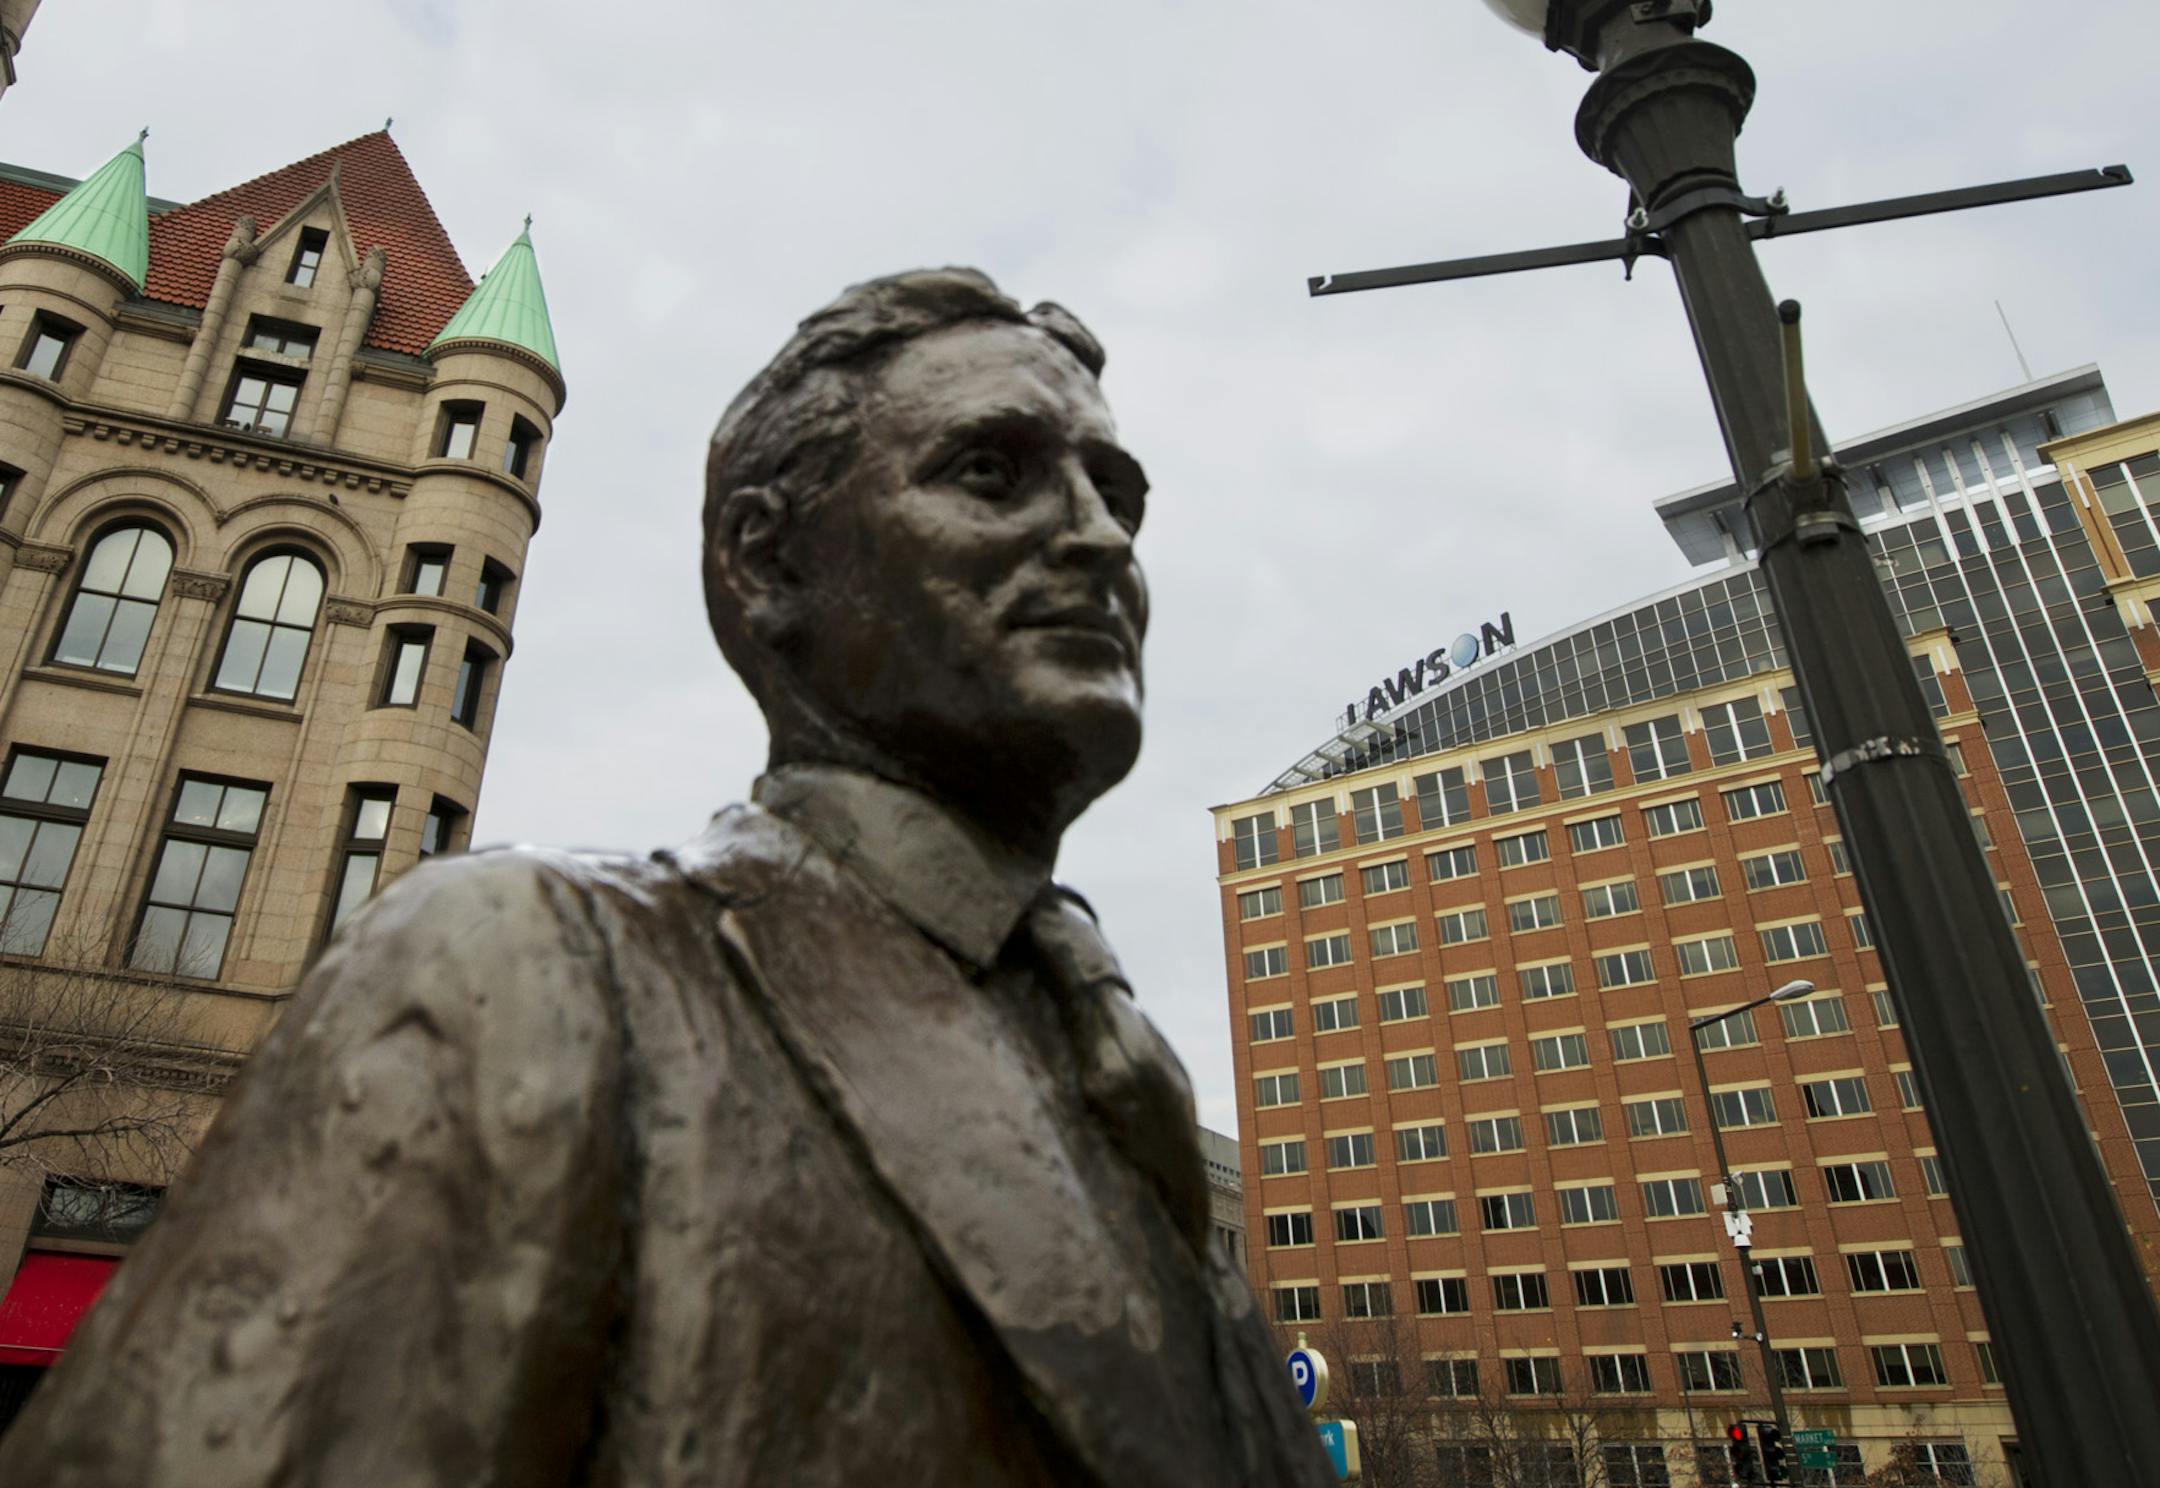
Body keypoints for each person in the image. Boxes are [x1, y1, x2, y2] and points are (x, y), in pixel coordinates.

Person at [0, 268, 1333, 1486]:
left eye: (1121, 493)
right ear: (765, 560)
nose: (1099, 538)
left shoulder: (1130, 1084)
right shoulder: (522, 970)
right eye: (993, 474)